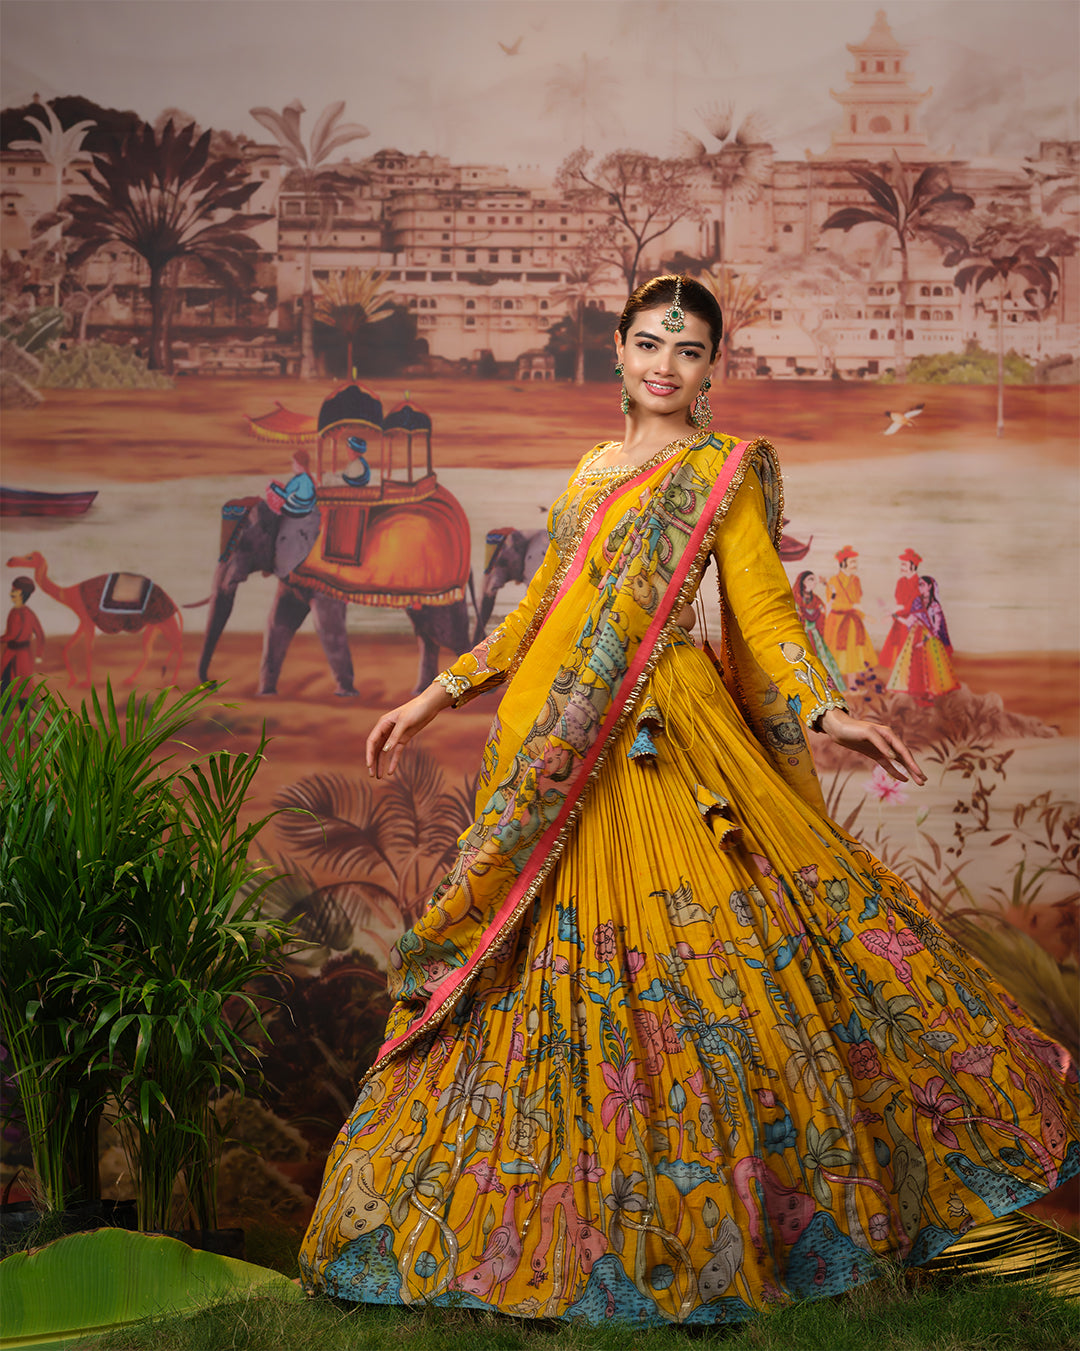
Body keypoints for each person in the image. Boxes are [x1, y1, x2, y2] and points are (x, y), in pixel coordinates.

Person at [299, 276, 1077, 1326]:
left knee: (704, 975)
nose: (667, 362)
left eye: (692, 348)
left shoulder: (724, 471)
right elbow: (542, 612)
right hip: (560, 749)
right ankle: (537, 1231)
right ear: (619, 351)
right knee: (535, 975)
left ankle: (726, 1232)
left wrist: (822, 708)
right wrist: (436, 694)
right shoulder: (589, 473)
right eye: (651, 341)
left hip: (670, 741)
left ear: (713, 368)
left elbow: (761, 605)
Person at [886, 574, 961, 705]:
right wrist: (895, 616)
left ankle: (930, 696)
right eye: (919, 584)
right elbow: (910, 621)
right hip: (915, 636)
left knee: (931, 667)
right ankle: (918, 695)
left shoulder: (934, 606)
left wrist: (924, 641)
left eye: (922, 584)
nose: (920, 587)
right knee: (915, 666)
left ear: (930, 586)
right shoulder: (917, 602)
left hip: (930, 640)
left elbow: (936, 628)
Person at [823, 546, 877, 679]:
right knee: (836, 656)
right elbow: (834, 604)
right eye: (852, 562)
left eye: (855, 562)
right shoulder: (833, 581)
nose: (855, 565)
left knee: (853, 656)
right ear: (843, 563)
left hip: (853, 621)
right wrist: (852, 605)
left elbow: (857, 604)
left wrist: (864, 616)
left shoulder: (856, 580)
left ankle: (853, 684)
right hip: (837, 622)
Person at [791, 569, 846, 694]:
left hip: (816, 637)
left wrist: (830, 589)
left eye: (814, 580)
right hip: (803, 636)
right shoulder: (796, 601)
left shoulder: (816, 600)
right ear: (802, 582)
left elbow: (825, 610)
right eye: (810, 579)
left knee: (823, 663)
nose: (813, 582)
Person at [1, 575, 45, 702]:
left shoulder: (27, 613)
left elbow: (39, 634)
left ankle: (25, 718)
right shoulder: (13, 612)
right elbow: (10, 635)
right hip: (10, 652)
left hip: (23, 654)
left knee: (23, 686)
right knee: (5, 682)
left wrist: (39, 654)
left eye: (14, 591)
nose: (11, 594)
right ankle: (4, 716)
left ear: (22, 594)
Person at [879, 547, 923, 672]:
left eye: (904, 564)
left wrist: (893, 614)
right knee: (897, 651)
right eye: (901, 564)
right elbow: (900, 603)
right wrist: (893, 613)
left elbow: (910, 607)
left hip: (913, 623)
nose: (902, 567)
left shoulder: (919, 584)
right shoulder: (900, 582)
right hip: (900, 621)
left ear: (913, 566)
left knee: (910, 653)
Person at [266, 448, 317, 516]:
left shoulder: (298, 479)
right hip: (307, 510)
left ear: (298, 464)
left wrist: (272, 486)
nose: (292, 465)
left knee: (272, 487)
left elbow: (285, 495)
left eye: (293, 462)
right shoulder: (310, 479)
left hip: (294, 511)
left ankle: (277, 514)